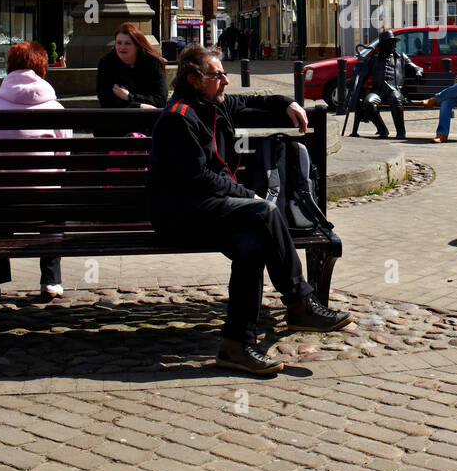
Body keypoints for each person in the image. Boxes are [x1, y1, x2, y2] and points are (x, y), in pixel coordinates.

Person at [146, 45, 350, 376]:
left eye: (225, 73)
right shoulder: (178, 118)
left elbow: (255, 101)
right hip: (178, 214)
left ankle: (236, 345)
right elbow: (198, 179)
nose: (225, 81)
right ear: (194, 79)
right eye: (217, 75)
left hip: (206, 209)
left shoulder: (215, 105)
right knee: (264, 214)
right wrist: (248, 196)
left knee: (252, 246)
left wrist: (288, 103)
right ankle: (299, 303)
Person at [0, 41, 70, 302]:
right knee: (52, 201)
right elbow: (63, 161)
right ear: (42, 68)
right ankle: (51, 281)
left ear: (10, 68)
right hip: (41, 203)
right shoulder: (55, 110)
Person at [360, 30, 423, 139]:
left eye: (394, 43)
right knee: (368, 102)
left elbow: (416, 67)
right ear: (384, 45)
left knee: (395, 99)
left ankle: (401, 132)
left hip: (396, 90)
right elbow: (363, 75)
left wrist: (418, 71)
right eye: (391, 42)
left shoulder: (401, 57)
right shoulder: (374, 59)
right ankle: (382, 130)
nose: (394, 45)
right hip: (378, 91)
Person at [96, 23, 169, 110]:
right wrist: (139, 106)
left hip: (149, 117)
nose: (122, 47)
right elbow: (106, 100)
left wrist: (129, 97)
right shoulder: (106, 63)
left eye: (127, 43)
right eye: (119, 43)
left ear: (137, 45)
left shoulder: (153, 63)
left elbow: (160, 100)